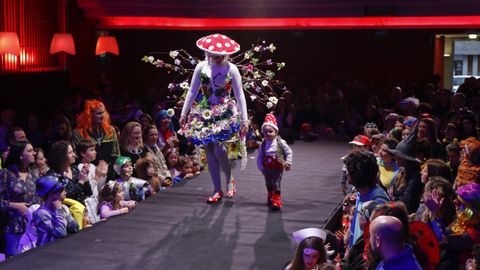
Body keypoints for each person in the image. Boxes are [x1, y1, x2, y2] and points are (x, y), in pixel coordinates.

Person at [178, 33, 248, 203]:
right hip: (205, 111)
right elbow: (193, 91)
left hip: (224, 112)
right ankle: (217, 189)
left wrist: (244, 118)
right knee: (209, 150)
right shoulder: (201, 67)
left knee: (219, 149)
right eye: (215, 56)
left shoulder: (231, 68)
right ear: (207, 53)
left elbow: (239, 93)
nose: (218, 59)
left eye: (221, 56)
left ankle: (229, 179)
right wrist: (183, 113)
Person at [344, 151, 389, 249]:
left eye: (348, 170)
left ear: (357, 174)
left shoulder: (378, 203)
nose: (345, 173)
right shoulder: (362, 192)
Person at [1, 142, 39, 257]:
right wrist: (16, 206)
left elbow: (39, 196)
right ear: (20, 155)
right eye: (30, 151)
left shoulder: (34, 173)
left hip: (33, 226)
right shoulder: (6, 174)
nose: (34, 153)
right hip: (14, 227)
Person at [257, 113, 293, 210]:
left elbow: (289, 152)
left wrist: (288, 163)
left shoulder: (280, 142)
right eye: (265, 132)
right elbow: (259, 157)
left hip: (277, 167)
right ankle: (270, 195)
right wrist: (261, 167)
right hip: (267, 168)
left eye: (270, 131)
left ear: (276, 132)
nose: (268, 134)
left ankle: (277, 199)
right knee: (268, 183)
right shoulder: (263, 144)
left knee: (276, 183)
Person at [33, 175, 79, 247]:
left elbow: (75, 228)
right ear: (52, 194)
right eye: (61, 190)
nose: (65, 193)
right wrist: (59, 212)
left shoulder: (64, 208)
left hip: (61, 249)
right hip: (45, 252)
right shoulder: (40, 214)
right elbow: (61, 233)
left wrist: (65, 214)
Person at [72, 99, 120, 168]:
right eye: (99, 113)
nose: (102, 116)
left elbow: (115, 154)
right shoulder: (79, 133)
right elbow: (76, 156)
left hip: (108, 172)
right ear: (90, 116)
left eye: (103, 112)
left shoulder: (110, 131)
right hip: (87, 171)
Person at [47, 141, 92, 205]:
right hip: (66, 211)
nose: (75, 155)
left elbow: (89, 193)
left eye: (73, 151)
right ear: (62, 156)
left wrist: (85, 179)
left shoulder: (74, 169)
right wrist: (81, 182)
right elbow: (65, 196)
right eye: (70, 153)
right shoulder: (53, 175)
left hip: (81, 209)